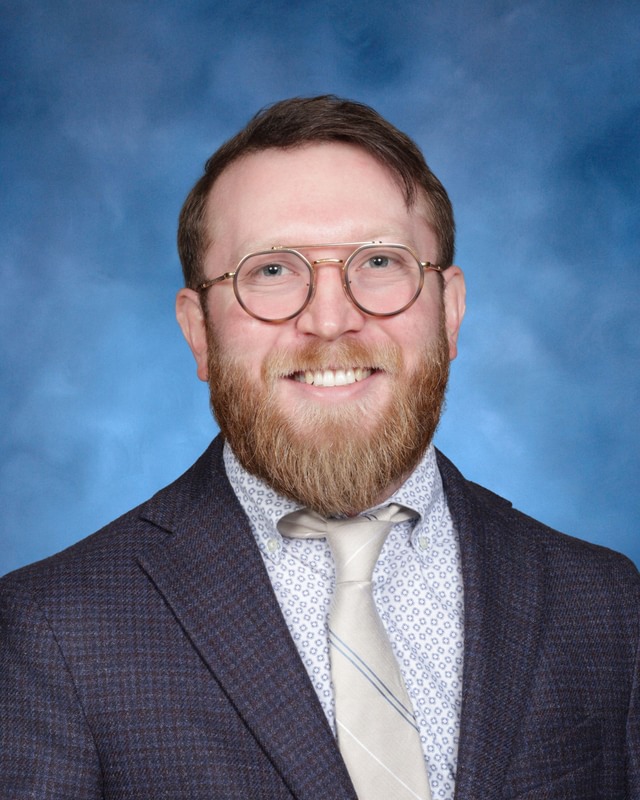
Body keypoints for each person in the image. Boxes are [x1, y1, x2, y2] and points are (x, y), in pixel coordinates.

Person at [0, 96, 638, 800]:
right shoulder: (49, 632)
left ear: (450, 313)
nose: (331, 319)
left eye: (379, 262)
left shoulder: (607, 602)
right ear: (199, 332)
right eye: (271, 271)